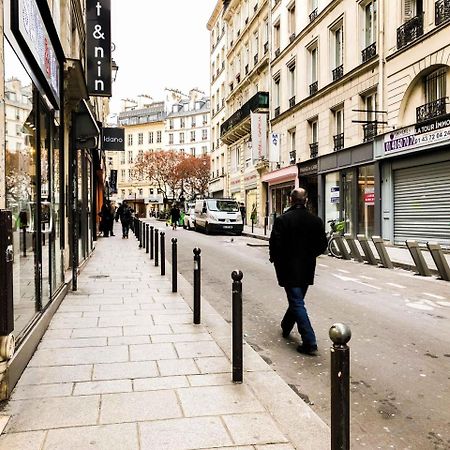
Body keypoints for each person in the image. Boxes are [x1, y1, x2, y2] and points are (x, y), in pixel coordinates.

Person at [269, 188, 327, 355]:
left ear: (291, 201)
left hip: (288, 268)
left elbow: (275, 245)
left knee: (296, 301)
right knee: (297, 300)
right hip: (307, 268)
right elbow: (322, 246)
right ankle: (286, 325)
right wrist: (309, 255)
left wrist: (278, 261)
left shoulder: (283, 220)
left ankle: (309, 341)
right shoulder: (316, 221)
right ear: (306, 200)